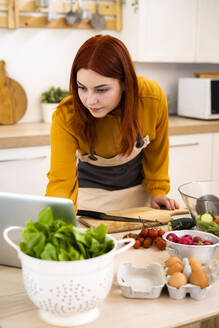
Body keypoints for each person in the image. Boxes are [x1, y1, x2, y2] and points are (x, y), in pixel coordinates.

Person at [45, 34, 179, 213]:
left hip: (138, 201)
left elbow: (156, 150)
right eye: (82, 87)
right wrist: (58, 218)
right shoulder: (66, 116)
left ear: (125, 82)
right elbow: (61, 182)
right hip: (89, 202)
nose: (90, 100)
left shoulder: (151, 98)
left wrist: (158, 190)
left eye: (101, 90)